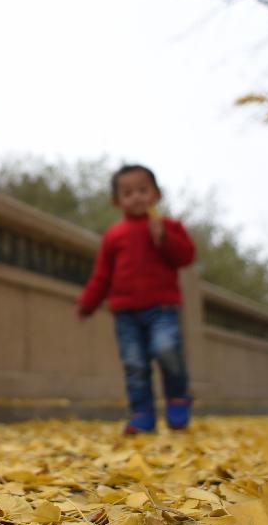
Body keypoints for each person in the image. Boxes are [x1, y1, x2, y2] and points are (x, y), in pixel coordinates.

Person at [76, 165, 196, 434]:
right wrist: (88, 303)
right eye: (128, 192)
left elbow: (186, 257)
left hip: (163, 309)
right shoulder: (114, 235)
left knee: (167, 351)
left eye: (143, 190)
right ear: (117, 201)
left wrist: (164, 239)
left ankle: (178, 398)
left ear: (156, 194)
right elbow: (102, 276)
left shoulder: (169, 227)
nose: (136, 197)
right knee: (134, 364)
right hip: (126, 313)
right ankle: (142, 414)